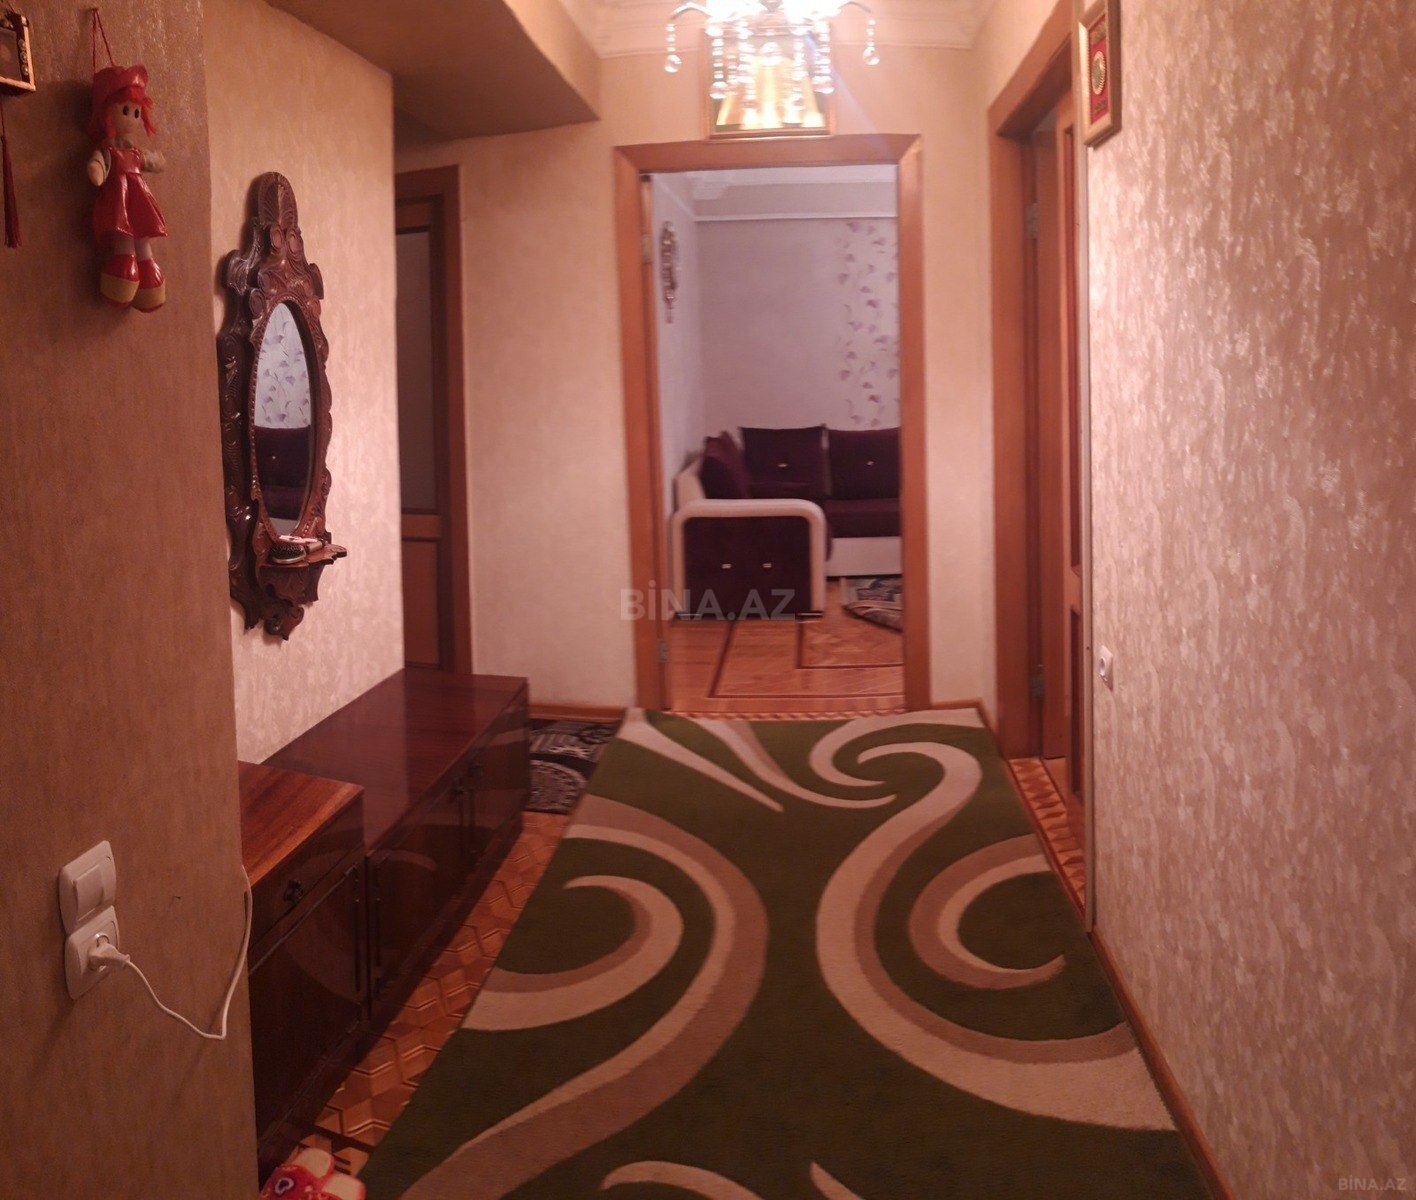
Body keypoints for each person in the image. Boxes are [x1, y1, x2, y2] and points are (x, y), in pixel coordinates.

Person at [87, 63, 167, 312]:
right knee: (125, 240)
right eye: (126, 110)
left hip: (137, 200)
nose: (132, 117)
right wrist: (97, 169)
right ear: (106, 113)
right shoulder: (108, 150)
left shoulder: (133, 151)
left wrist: (155, 161)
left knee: (143, 239)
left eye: (136, 112)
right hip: (119, 201)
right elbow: (100, 163)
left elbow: (147, 161)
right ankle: (124, 275)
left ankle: (149, 277)